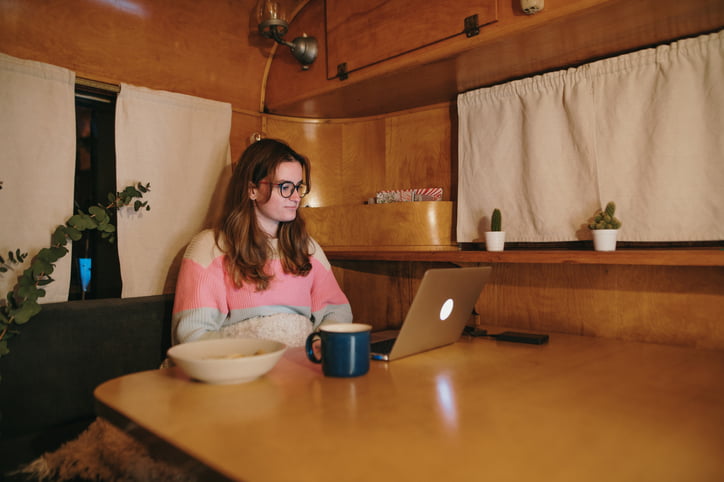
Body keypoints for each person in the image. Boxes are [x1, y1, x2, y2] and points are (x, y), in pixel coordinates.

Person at [172, 138, 353, 347]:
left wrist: (318, 342)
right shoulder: (210, 247)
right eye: (285, 187)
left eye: (298, 187)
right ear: (252, 189)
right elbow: (192, 336)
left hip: (300, 367)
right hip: (240, 368)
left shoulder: (307, 248)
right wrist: (262, 347)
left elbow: (337, 312)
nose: (295, 197)